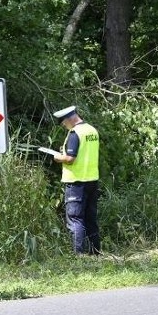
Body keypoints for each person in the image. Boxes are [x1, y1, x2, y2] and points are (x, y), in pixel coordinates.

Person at [51, 105, 100, 255]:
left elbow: (70, 158)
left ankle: (78, 256)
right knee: (90, 218)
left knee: (75, 219)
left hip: (76, 182)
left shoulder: (75, 133)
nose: (64, 126)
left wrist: (58, 157)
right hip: (92, 180)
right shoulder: (92, 130)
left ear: (69, 119)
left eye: (63, 123)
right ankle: (95, 253)